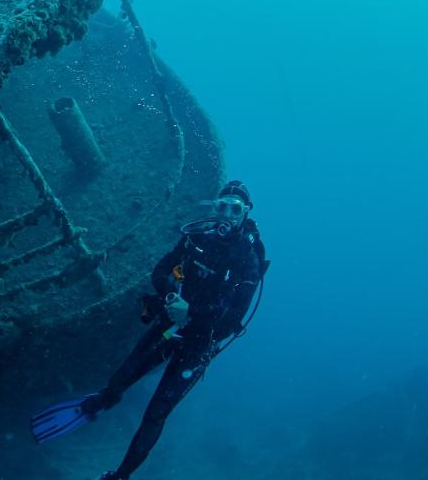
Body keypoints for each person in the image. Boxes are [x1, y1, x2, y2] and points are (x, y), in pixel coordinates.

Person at [30, 180, 268, 480]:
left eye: (235, 209)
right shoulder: (196, 238)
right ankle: (103, 400)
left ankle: (120, 476)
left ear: (245, 212)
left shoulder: (248, 259)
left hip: (199, 344)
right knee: (123, 376)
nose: (227, 215)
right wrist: (170, 296)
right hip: (170, 328)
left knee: (157, 411)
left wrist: (191, 313)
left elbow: (233, 317)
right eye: (222, 206)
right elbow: (161, 270)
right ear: (214, 207)